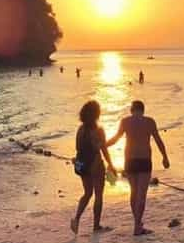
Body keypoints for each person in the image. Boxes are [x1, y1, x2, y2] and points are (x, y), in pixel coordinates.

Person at [106, 100, 169, 236]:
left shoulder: (125, 121)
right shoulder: (150, 121)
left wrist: (103, 145)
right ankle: (137, 226)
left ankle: (137, 223)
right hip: (144, 160)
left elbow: (116, 139)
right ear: (143, 110)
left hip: (130, 161)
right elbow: (158, 140)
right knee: (142, 195)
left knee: (134, 193)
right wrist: (165, 157)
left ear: (132, 110)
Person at [71, 101, 116, 235]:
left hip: (83, 164)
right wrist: (111, 164)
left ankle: (76, 219)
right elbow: (103, 149)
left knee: (87, 193)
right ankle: (96, 226)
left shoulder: (80, 130)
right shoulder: (98, 131)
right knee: (98, 195)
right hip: (95, 164)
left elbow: (78, 148)